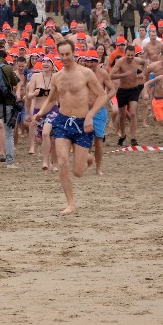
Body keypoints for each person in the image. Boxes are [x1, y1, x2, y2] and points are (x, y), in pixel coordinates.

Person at [33, 40, 108, 215]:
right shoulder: (57, 77)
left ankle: (88, 158)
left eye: (68, 54)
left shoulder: (86, 73)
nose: (65, 58)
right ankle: (71, 204)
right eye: (62, 54)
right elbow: (51, 100)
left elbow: (102, 95)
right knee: (62, 161)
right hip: (63, 121)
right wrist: (40, 113)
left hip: (82, 123)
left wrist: (90, 115)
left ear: (74, 54)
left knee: (79, 172)